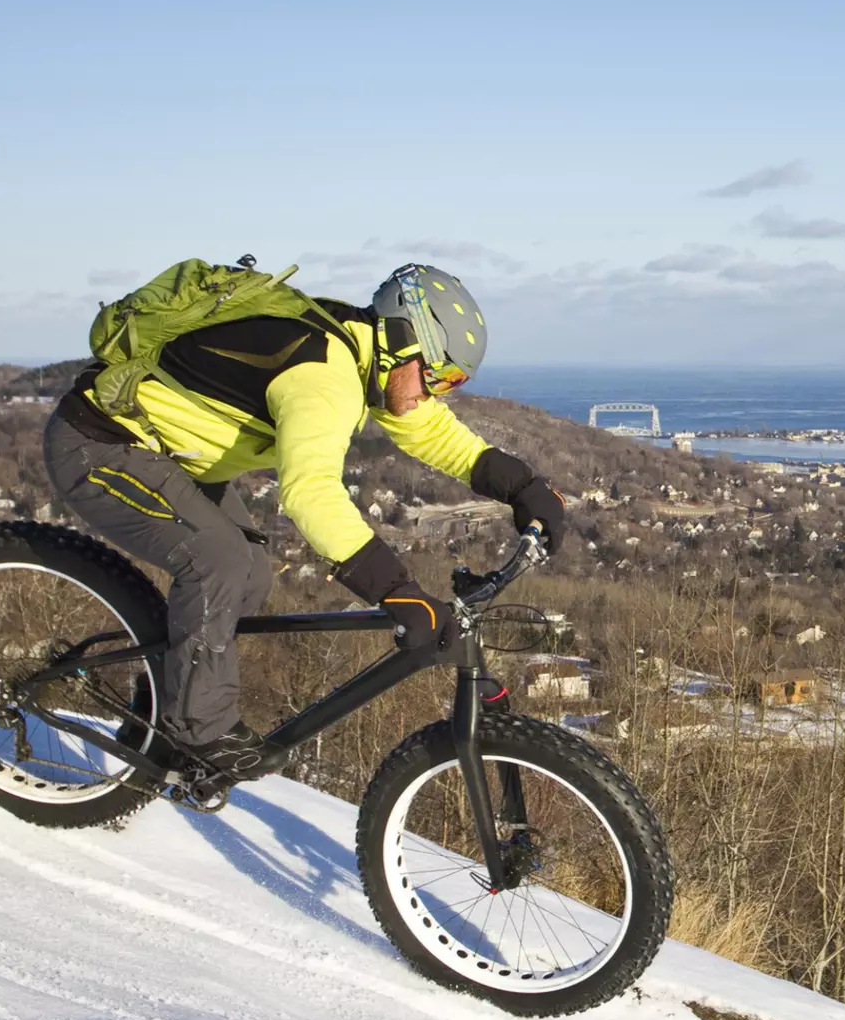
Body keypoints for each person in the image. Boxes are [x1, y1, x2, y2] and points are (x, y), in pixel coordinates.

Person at [44, 262, 564, 782]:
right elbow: (310, 494)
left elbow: (434, 434)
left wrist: (523, 489)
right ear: (402, 342)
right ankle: (196, 732)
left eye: (453, 382)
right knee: (217, 560)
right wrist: (398, 592)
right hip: (99, 445)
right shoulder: (323, 376)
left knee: (249, 572)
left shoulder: (367, 359)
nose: (438, 393)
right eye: (439, 376)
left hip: (175, 460)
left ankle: (157, 706)